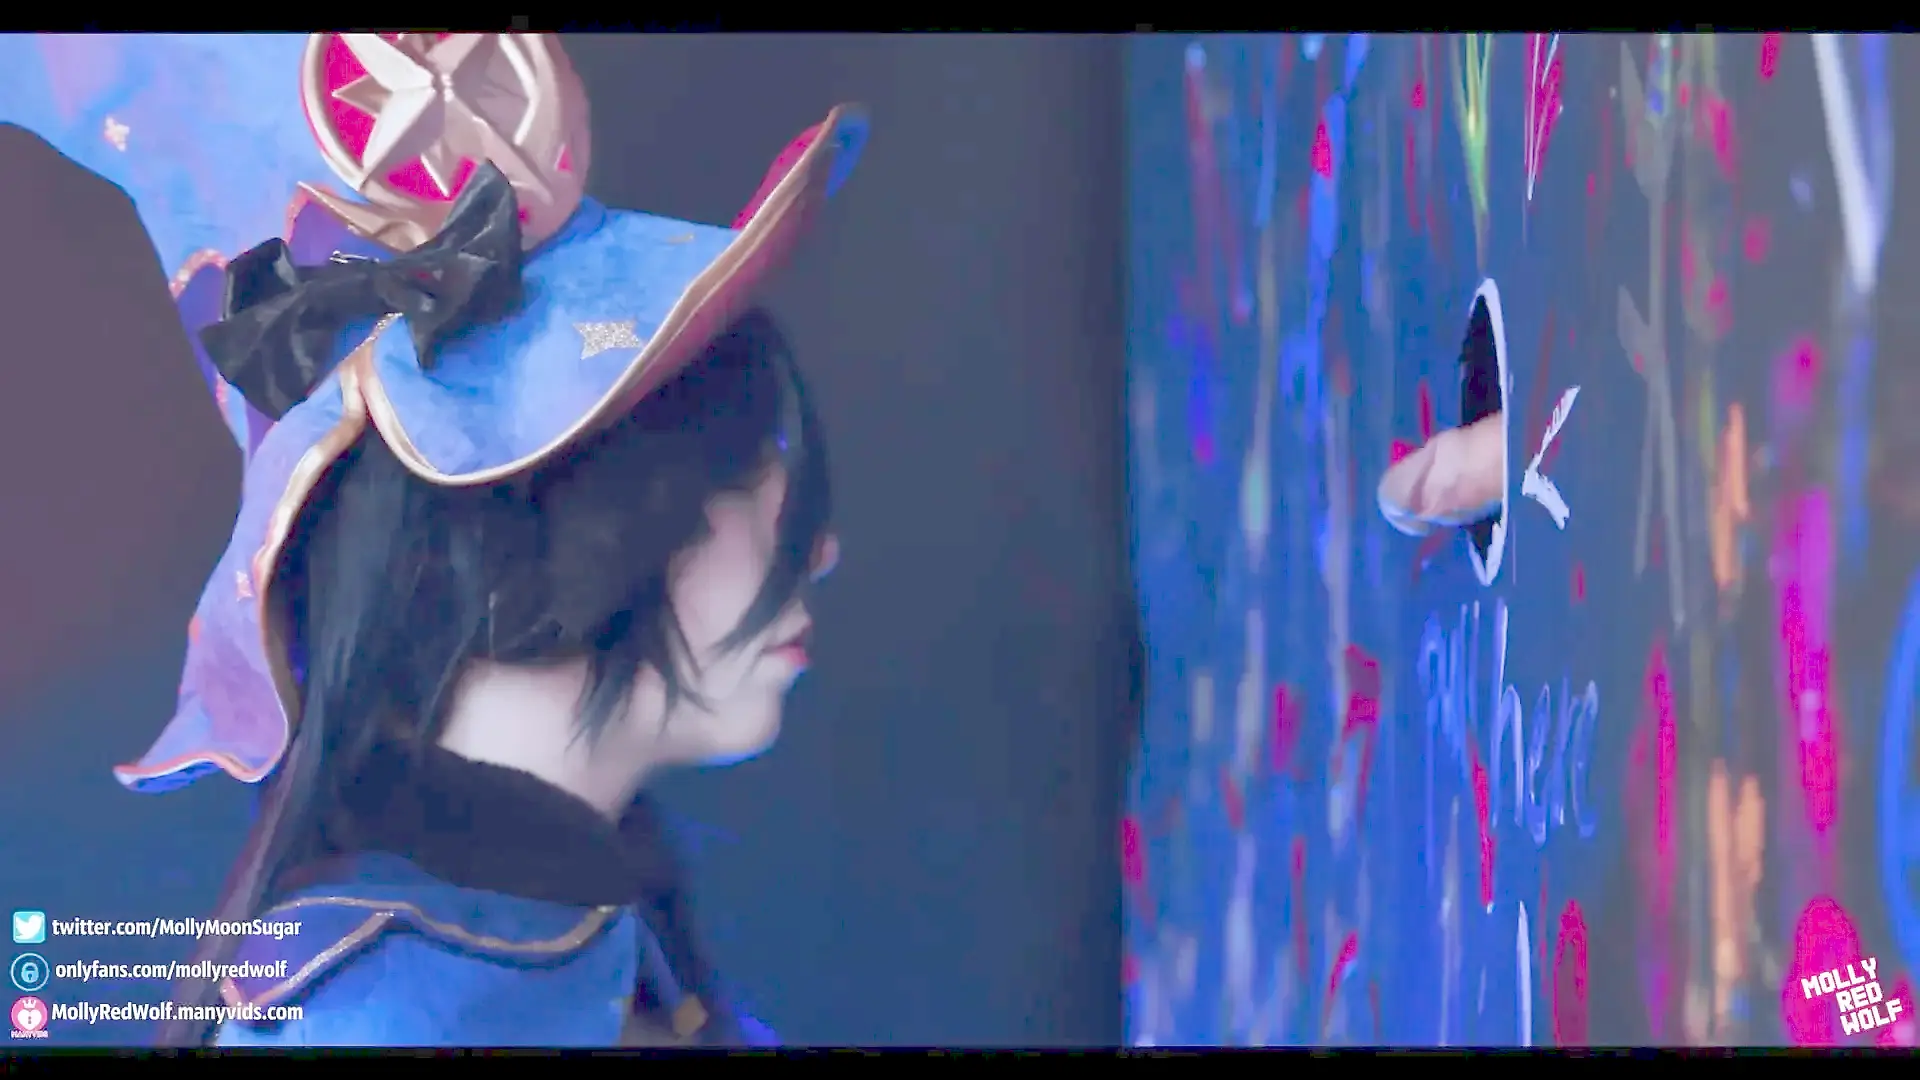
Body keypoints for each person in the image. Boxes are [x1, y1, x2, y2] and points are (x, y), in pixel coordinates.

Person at [101, 34, 866, 1047]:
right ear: (578, 520)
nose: (821, 550)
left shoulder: (575, 933)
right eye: (750, 464)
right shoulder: (376, 1013)